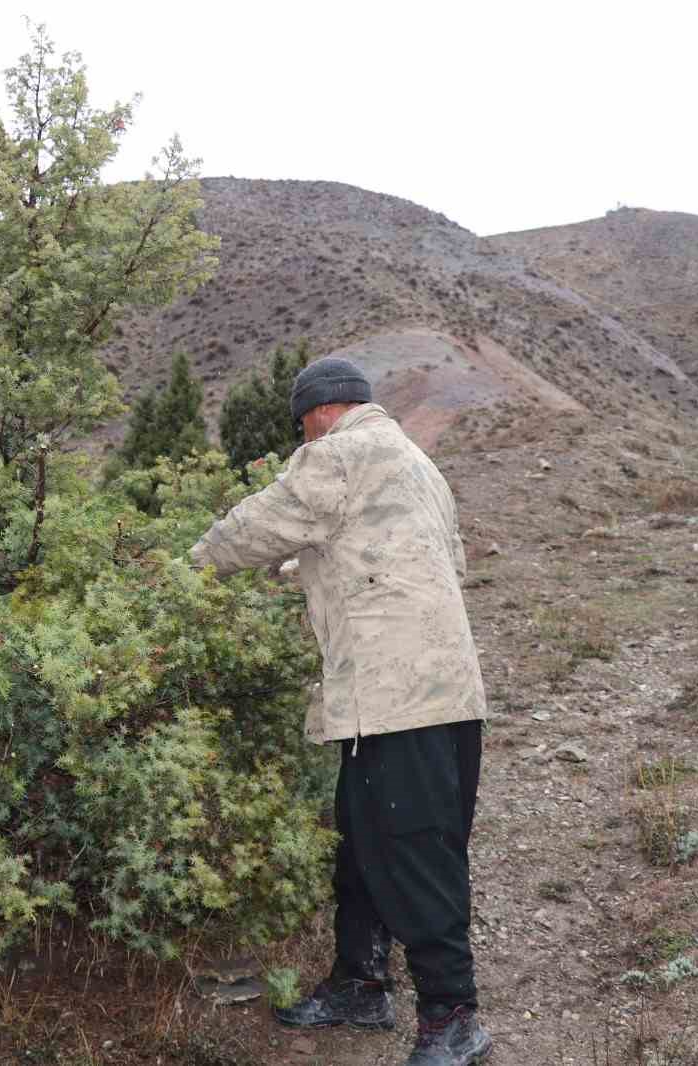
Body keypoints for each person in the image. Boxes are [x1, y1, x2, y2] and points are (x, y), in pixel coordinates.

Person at [188, 357, 491, 1066]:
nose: (304, 436)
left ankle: (454, 1016)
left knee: (414, 851)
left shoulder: (341, 450)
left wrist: (188, 567)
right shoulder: (417, 464)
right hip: (441, 692)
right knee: (364, 840)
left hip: (397, 697)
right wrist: (309, 568)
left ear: (319, 413)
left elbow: (260, 524)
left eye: (303, 426)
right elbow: (424, 558)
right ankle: (360, 982)